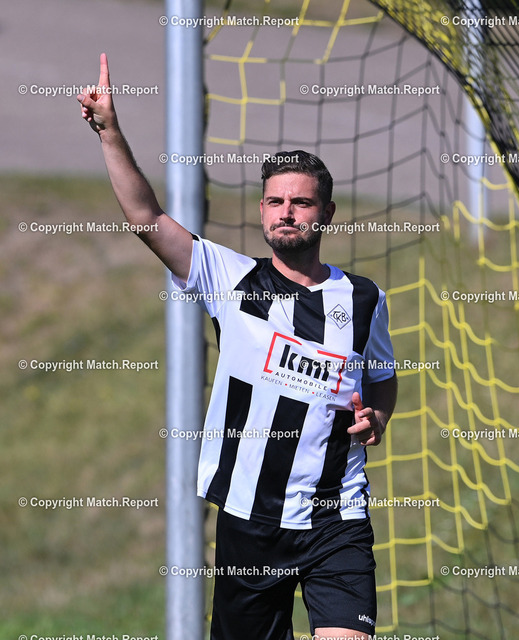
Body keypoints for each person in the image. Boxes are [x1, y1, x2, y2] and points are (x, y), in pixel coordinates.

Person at [78, 53, 397, 640]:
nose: (286, 213)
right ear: (262, 211)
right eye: (275, 202)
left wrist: (377, 414)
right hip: (249, 520)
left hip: (337, 518)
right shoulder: (231, 279)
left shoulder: (363, 298)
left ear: (326, 213)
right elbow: (146, 217)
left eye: (301, 203)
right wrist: (110, 133)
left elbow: (381, 376)